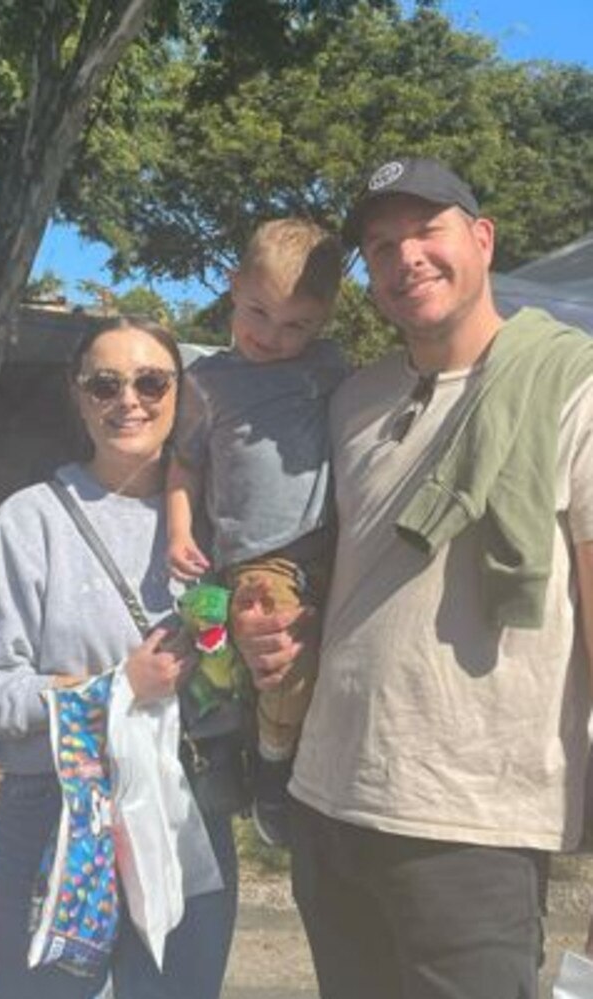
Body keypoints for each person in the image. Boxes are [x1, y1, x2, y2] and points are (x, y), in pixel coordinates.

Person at [233, 157, 593, 999]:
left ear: (482, 237)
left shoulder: (575, 387)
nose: (406, 257)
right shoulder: (351, 398)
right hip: (328, 796)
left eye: (427, 230)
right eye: (381, 243)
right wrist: (277, 623)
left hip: (472, 815)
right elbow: (333, 568)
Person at [0, 318, 238, 999]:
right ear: (78, 398)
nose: (127, 399)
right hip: (56, 815)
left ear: (180, 394)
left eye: (151, 381)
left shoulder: (223, 521)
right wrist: (111, 690)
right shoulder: (29, 522)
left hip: (183, 814)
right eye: (104, 383)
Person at [166, 218, 348, 847]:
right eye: (259, 311)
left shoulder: (327, 368)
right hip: (238, 552)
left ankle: (269, 758)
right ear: (233, 284)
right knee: (222, 648)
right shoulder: (207, 380)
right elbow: (186, 462)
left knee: (298, 660)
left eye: (297, 323)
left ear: (323, 321)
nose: (273, 335)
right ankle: (241, 757)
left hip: (314, 547)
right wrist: (180, 529)